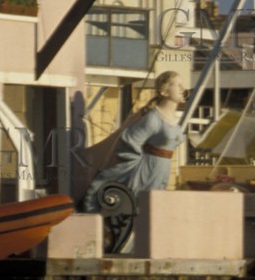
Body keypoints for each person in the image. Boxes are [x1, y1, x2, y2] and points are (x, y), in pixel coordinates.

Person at [80, 71, 187, 212]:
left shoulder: (173, 119)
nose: (182, 88)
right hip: (149, 169)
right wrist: (133, 165)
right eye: (176, 85)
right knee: (142, 206)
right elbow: (131, 139)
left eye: (182, 84)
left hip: (163, 168)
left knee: (155, 206)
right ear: (164, 92)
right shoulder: (153, 118)